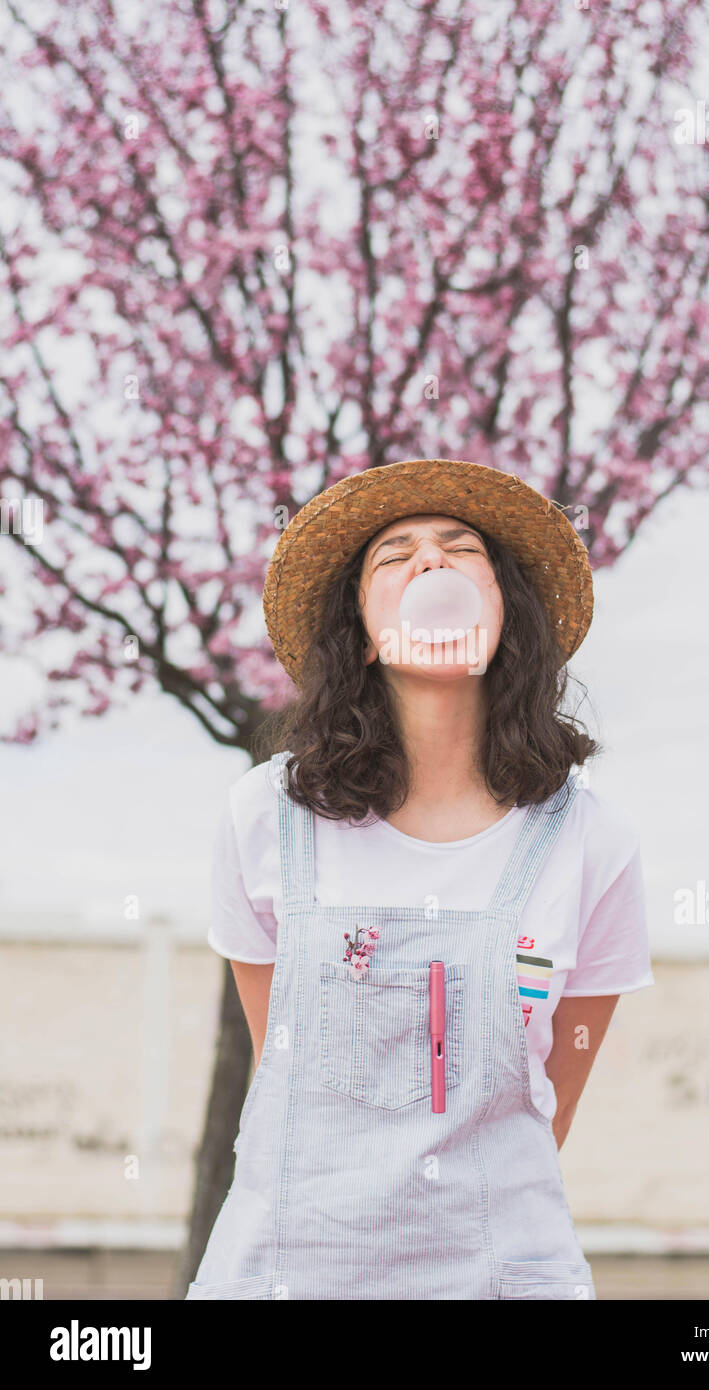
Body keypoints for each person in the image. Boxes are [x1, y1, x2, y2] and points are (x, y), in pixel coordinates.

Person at [185, 457, 653, 1300]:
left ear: (505, 612)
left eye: (459, 547)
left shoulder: (592, 841)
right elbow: (281, 1071)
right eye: (392, 555)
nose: (430, 563)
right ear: (364, 632)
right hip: (283, 1273)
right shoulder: (265, 817)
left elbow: (548, 1111)